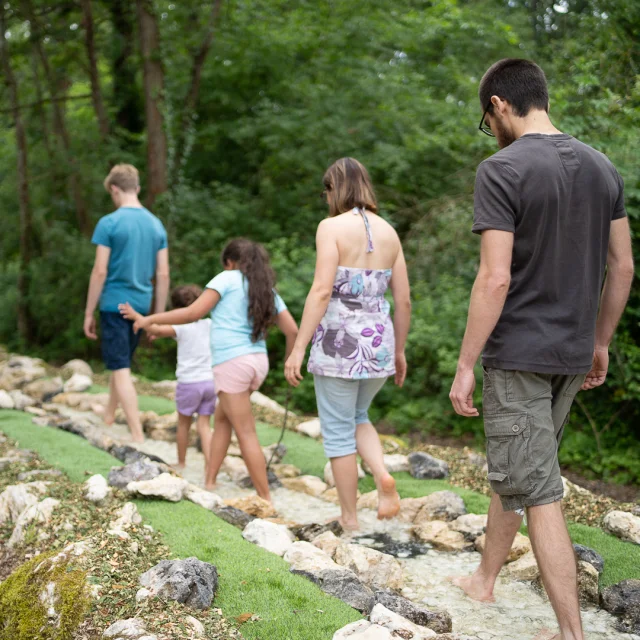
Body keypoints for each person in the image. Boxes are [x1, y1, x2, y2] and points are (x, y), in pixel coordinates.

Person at [449, 59, 634, 640]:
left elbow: (494, 279)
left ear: (500, 105)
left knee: (541, 491)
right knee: (527, 470)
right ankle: (484, 576)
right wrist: (600, 340)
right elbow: (623, 265)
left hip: (519, 354)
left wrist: (464, 364)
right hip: (572, 353)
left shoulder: (501, 169)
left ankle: (570, 633)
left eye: (487, 120)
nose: (490, 130)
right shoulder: (603, 168)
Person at [284, 157, 411, 532]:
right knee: (358, 417)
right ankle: (382, 475)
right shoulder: (390, 231)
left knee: (338, 430)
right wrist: (399, 351)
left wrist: (298, 348)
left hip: (340, 347)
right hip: (379, 346)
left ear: (333, 189)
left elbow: (322, 290)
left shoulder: (331, 227)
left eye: (326, 193)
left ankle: (350, 518)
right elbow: (402, 300)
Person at [130, 239, 298, 503]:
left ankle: (266, 499)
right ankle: (210, 480)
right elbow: (293, 331)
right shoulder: (266, 289)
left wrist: (150, 319)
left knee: (246, 431)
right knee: (222, 420)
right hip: (257, 362)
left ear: (230, 262)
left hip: (232, 363)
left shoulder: (227, 278)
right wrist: (291, 361)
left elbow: (192, 313)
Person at [84, 164, 169, 443]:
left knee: (121, 368)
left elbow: (99, 271)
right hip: (142, 306)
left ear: (114, 189)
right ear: (139, 189)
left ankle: (136, 434)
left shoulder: (109, 223)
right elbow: (163, 273)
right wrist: (157, 317)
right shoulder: (156, 224)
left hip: (113, 305)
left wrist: (88, 312)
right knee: (119, 363)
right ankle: (109, 414)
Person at [119, 285, 215, 473]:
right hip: (210, 382)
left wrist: (136, 316)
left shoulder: (181, 326)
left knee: (183, 425)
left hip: (189, 383)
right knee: (204, 425)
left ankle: (181, 463)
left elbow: (155, 328)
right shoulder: (210, 324)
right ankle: (210, 468)